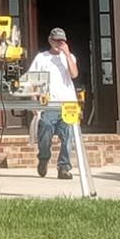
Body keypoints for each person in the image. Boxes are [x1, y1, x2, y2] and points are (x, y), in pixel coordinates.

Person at [29, 27, 80, 179]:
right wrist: (34, 102)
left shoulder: (70, 57)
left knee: (68, 134)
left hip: (67, 104)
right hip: (48, 104)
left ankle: (63, 167)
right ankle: (43, 159)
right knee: (45, 129)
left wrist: (67, 53)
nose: (59, 43)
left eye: (62, 40)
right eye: (56, 40)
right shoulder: (41, 58)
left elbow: (74, 74)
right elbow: (32, 82)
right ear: (50, 40)